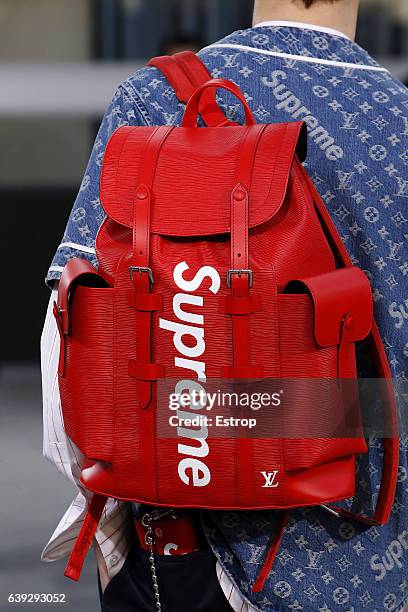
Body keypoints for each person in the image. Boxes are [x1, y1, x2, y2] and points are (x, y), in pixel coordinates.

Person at [41, 0, 408, 610]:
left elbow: (70, 342)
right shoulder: (398, 122)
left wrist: (116, 539)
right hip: (376, 561)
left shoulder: (156, 98)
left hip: (188, 555)